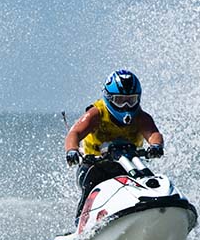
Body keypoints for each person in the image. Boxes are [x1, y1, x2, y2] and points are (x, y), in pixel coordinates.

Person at [64, 69, 165, 221]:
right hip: (94, 166)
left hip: (128, 164)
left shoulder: (140, 117)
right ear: (109, 98)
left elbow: (153, 134)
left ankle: (158, 210)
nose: (125, 106)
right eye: (119, 100)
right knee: (91, 184)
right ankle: (80, 225)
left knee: (147, 180)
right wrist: (71, 150)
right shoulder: (96, 114)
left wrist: (156, 146)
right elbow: (74, 133)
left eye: (131, 100)